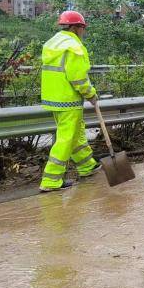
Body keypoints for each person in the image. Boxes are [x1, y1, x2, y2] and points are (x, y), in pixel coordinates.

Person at [39, 10, 101, 192]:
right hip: (68, 99)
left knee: (76, 133)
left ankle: (86, 166)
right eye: (83, 28)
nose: (83, 32)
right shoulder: (74, 46)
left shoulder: (53, 43)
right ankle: (51, 180)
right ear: (76, 27)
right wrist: (90, 94)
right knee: (66, 138)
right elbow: (78, 77)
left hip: (53, 98)